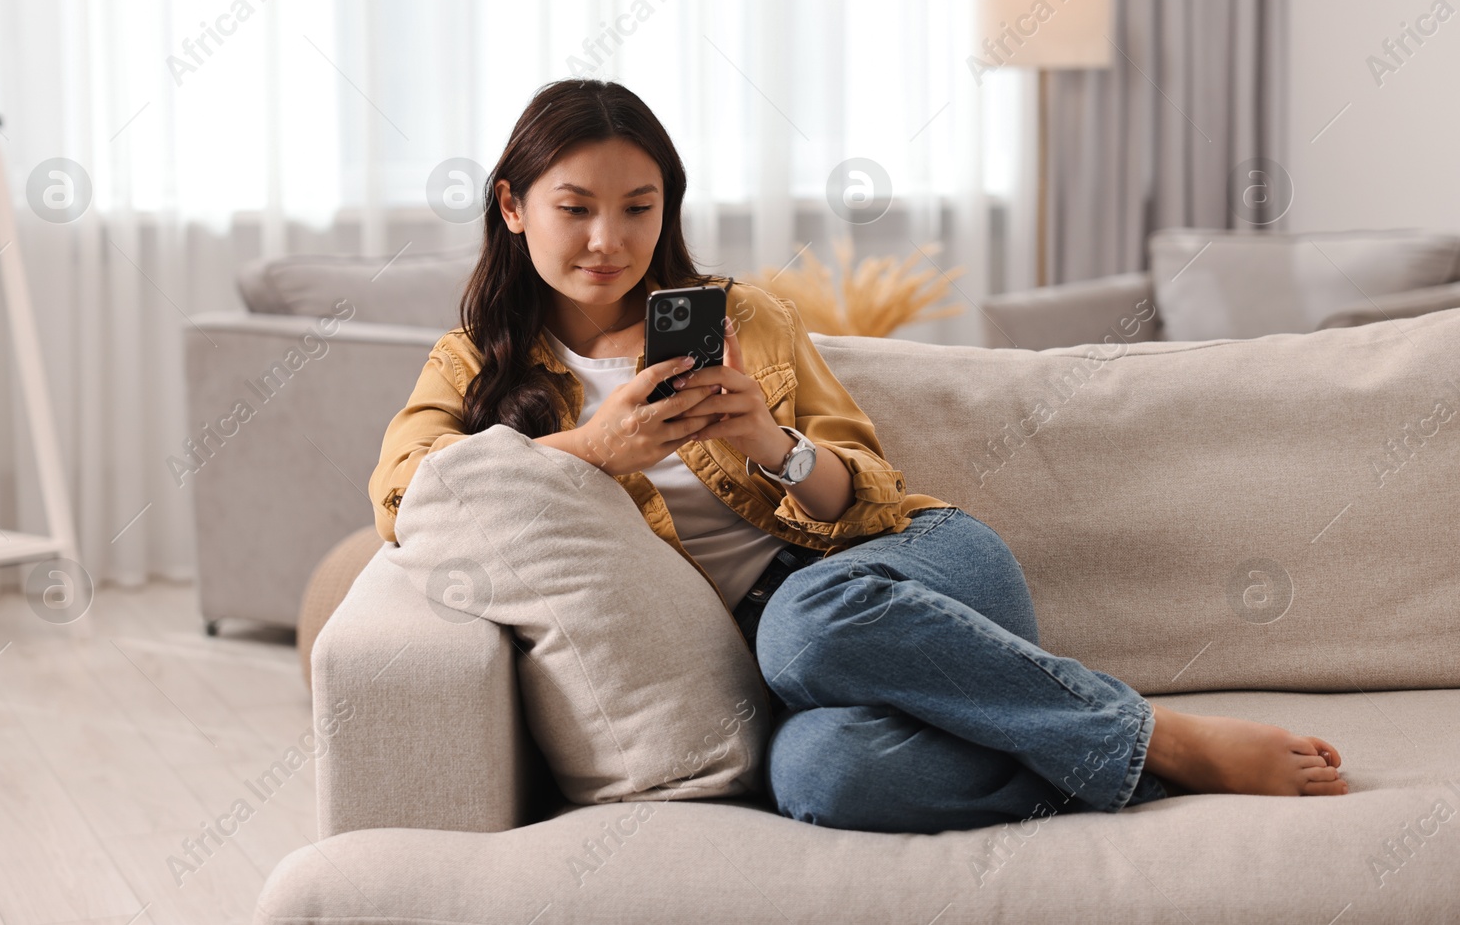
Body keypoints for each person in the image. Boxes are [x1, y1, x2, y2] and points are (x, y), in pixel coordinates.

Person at [369, 77, 1348, 834]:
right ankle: (1116, 759)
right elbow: (406, 493)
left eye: (639, 205)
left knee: (801, 625)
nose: (607, 238)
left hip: (909, 570)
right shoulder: (474, 363)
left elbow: (863, 487)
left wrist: (768, 442)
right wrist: (592, 446)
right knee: (819, 774)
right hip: (788, 664)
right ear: (511, 206)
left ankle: (1163, 734)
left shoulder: (743, 316)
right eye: (573, 206)